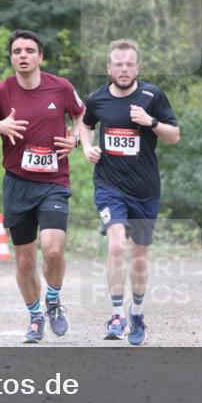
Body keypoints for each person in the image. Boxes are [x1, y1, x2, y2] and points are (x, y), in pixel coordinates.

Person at [0, 29, 86, 343]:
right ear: (11, 57)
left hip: (53, 183)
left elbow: (82, 115)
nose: (23, 55)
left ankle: (54, 298)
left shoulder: (61, 87)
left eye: (29, 50)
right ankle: (36, 316)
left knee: (52, 250)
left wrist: (76, 139)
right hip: (17, 185)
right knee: (24, 260)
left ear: (40, 56)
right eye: (17, 51)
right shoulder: (0, 92)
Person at [79, 39, 179, 345]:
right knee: (117, 246)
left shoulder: (152, 96)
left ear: (138, 67)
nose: (123, 70)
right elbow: (84, 124)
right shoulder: (97, 99)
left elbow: (174, 135)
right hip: (110, 186)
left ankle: (136, 313)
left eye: (129, 64)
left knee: (138, 256)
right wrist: (87, 148)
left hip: (145, 189)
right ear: (109, 68)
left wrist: (150, 122)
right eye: (118, 65)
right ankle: (116, 315)